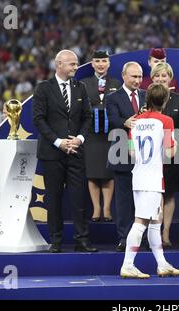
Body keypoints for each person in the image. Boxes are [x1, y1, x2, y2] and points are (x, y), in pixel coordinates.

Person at [32, 49, 97, 253]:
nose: (76, 67)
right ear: (58, 64)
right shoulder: (43, 88)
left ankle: (82, 240)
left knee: (79, 198)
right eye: (72, 64)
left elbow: (88, 117)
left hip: (76, 151)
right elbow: (38, 119)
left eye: (76, 64)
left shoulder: (81, 87)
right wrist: (58, 142)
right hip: (52, 154)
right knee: (53, 197)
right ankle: (56, 240)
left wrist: (79, 138)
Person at [120, 83, 179, 279]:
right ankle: (127, 265)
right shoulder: (166, 120)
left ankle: (162, 264)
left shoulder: (135, 121)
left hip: (138, 175)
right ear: (164, 101)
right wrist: (177, 143)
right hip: (152, 178)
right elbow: (170, 153)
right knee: (140, 223)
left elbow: (131, 151)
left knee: (155, 221)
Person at [106, 61, 146, 252]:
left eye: (140, 77)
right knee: (123, 200)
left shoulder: (147, 96)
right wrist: (126, 122)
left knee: (142, 199)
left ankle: (141, 237)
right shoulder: (113, 97)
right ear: (124, 76)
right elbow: (112, 120)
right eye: (134, 76)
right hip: (121, 153)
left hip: (144, 156)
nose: (138, 80)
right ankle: (124, 237)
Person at [81, 50, 121, 223]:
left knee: (108, 172)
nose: (100, 64)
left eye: (104, 61)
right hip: (91, 134)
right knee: (92, 172)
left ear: (109, 63)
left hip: (110, 134)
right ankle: (96, 209)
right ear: (92, 64)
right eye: (97, 61)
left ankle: (107, 208)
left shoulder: (116, 83)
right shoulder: (84, 83)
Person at [150, 62, 179, 249]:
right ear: (152, 78)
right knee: (154, 196)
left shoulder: (178, 99)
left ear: (170, 78)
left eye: (164, 76)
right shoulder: (146, 97)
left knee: (169, 194)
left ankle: (166, 234)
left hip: (171, 154)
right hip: (151, 156)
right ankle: (153, 234)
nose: (161, 79)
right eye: (157, 76)